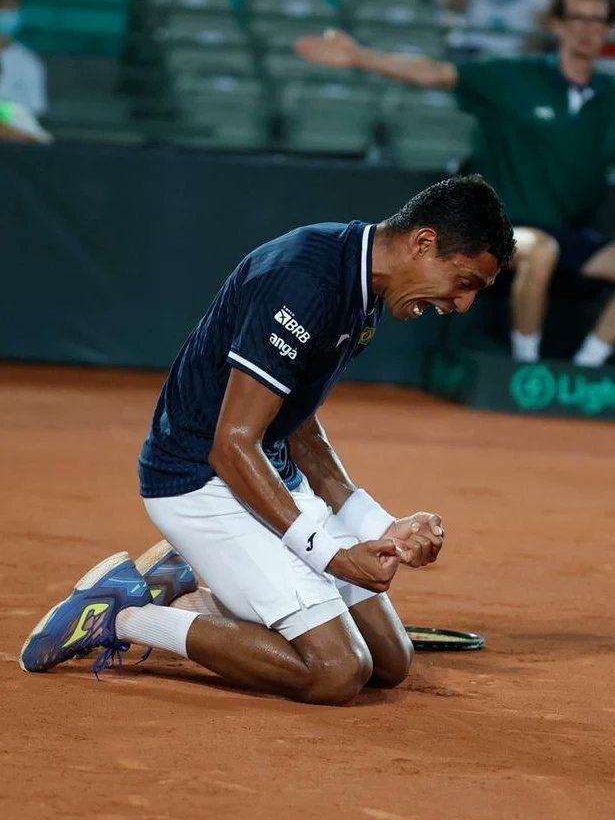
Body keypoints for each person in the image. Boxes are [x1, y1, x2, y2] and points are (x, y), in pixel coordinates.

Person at [19, 175, 516, 705]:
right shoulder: (304, 281)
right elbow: (230, 444)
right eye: (464, 283)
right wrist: (331, 557)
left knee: (390, 662)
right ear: (423, 243)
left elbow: (300, 427)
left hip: (262, 472)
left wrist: (382, 526)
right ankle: (123, 616)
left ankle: (192, 584)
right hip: (198, 481)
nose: (462, 305)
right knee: (336, 671)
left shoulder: (364, 289)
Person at [295, 0, 615, 366]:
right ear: (557, 25)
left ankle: (585, 369)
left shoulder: (611, 97)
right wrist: (359, 56)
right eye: (577, 18)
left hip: (570, 232)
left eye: (597, 21)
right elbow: (436, 73)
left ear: (610, 29)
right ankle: (524, 368)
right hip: (503, 230)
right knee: (541, 250)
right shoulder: (513, 76)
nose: (587, 29)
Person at [439, 0, 554, 57]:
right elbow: (452, 6)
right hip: (468, 50)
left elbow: (544, 22)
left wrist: (524, 58)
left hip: (511, 56)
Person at [0, 0, 49, 143]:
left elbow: (34, 109)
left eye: (12, 9)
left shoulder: (29, 62)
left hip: (18, 137)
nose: (7, 14)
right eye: (3, 7)